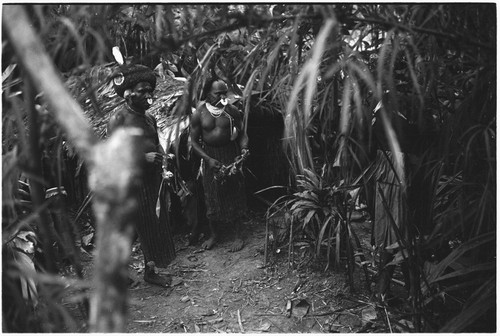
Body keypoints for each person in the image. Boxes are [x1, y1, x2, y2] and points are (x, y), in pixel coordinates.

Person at [107, 64, 175, 287]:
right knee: (131, 230)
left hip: (151, 182)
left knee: (151, 226)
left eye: (150, 91)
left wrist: (164, 158)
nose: (148, 95)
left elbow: (155, 143)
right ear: (128, 94)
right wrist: (142, 159)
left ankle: (150, 271)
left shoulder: (149, 119)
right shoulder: (119, 119)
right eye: (142, 90)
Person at [189, 78, 249, 252]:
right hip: (210, 155)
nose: (223, 96)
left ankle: (238, 235)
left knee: (234, 191)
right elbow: (193, 142)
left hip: (231, 153)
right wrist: (207, 159)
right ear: (208, 94)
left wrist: (244, 148)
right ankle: (214, 234)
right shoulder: (199, 113)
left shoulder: (232, 111)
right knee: (211, 193)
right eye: (218, 93)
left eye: (225, 92)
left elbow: (243, 134)